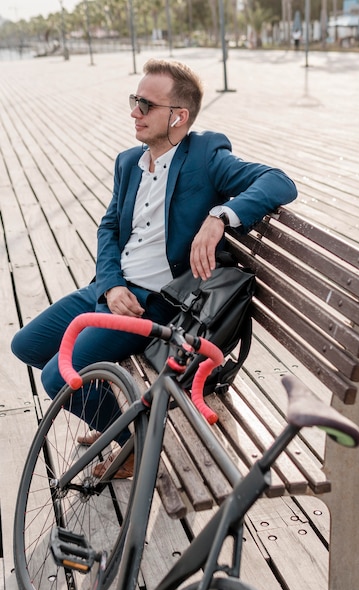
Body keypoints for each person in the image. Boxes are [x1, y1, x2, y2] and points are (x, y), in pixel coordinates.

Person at [11, 58, 297, 478]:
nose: (134, 112)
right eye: (134, 101)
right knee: (27, 346)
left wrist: (219, 217)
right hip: (111, 291)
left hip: (154, 306)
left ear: (178, 117)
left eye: (146, 105)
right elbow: (109, 227)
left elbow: (279, 181)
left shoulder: (205, 155)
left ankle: (132, 441)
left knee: (57, 377)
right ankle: (119, 425)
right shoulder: (129, 161)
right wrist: (109, 285)